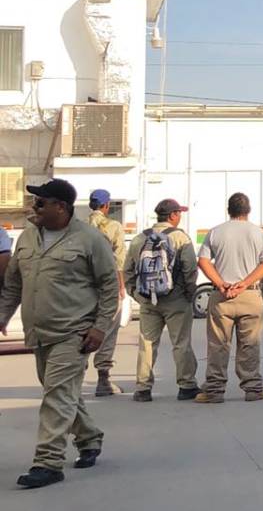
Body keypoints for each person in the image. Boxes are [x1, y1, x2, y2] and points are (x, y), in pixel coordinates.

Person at [0, 180, 117, 489]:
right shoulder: (28, 237)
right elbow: (14, 284)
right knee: (60, 392)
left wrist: (100, 327)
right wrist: (2, 316)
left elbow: (109, 286)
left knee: (56, 396)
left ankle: (48, 462)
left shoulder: (90, 239)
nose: (34, 207)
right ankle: (89, 437)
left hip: (73, 332)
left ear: (61, 208)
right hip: (39, 333)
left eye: (41, 203)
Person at [194, 193, 263, 404]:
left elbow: (203, 261)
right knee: (250, 344)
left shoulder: (215, 232)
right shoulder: (259, 234)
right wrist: (244, 284)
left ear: (228, 210)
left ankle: (214, 390)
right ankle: (253, 388)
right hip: (250, 295)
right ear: (248, 210)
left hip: (222, 296)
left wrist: (221, 284)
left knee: (218, 345)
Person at [126, 198, 199, 402]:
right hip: (176, 299)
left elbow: (128, 271)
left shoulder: (139, 239)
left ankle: (143, 388)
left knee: (147, 344)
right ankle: (186, 385)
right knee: (181, 342)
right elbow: (190, 269)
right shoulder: (180, 237)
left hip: (148, 299)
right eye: (179, 213)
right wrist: (188, 293)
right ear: (173, 215)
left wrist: (137, 294)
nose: (180, 216)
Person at [84, 189, 126, 397]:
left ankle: (75, 377)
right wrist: (121, 287)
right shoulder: (114, 226)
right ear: (106, 205)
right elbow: (119, 260)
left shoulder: (79, 227)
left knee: (82, 329)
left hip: (82, 288)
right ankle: (103, 380)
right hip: (107, 286)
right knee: (108, 330)